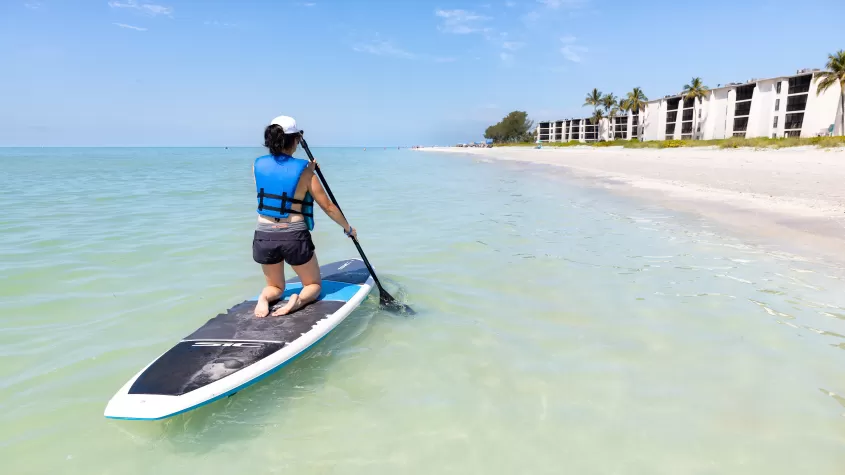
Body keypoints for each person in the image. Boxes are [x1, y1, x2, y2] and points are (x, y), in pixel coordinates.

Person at [252, 116, 357, 318]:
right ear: (295, 140)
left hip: (263, 234)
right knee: (313, 284)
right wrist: (348, 228)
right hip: (293, 236)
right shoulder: (305, 171)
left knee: (275, 287)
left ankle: (264, 298)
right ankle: (298, 300)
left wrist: (306, 169)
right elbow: (328, 206)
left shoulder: (257, 165)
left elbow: (276, 179)